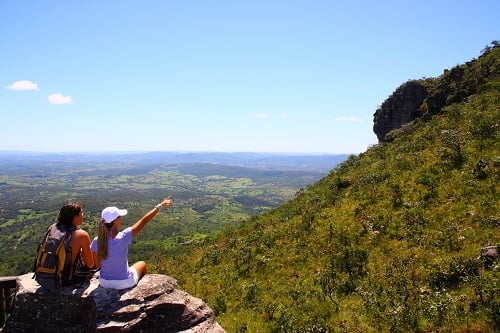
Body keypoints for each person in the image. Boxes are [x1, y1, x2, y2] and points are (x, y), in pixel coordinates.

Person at [90, 196, 172, 290]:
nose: (121, 219)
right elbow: (143, 221)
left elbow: (97, 265)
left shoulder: (97, 240)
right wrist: (159, 206)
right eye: (120, 217)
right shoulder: (123, 237)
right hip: (125, 282)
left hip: (104, 282)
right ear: (116, 220)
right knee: (142, 264)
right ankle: (143, 289)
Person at [56, 202, 96, 280]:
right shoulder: (82, 235)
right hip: (65, 278)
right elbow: (90, 264)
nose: (83, 215)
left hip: (44, 276)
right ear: (75, 217)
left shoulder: (52, 229)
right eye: (81, 213)